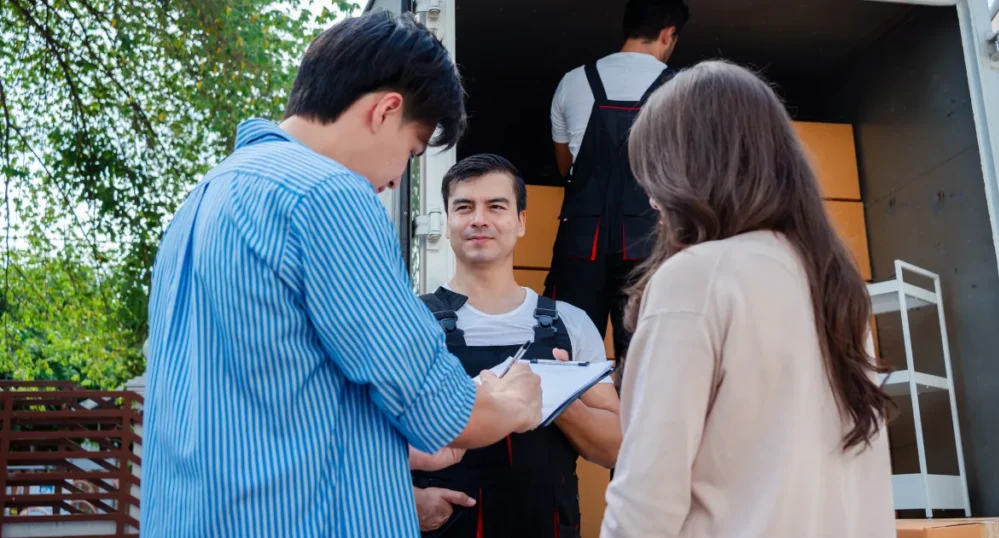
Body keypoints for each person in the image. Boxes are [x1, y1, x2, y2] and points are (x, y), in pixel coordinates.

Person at [140, 11, 544, 538]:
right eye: (411, 150)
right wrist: (512, 403)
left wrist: (389, 468)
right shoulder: (327, 194)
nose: (398, 177)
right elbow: (437, 402)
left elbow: (263, 401)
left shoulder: (206, 196)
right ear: (386, 110)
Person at [599, 60, 897, 537]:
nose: (653, 202)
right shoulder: (834, 284)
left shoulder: (696, 277)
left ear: (687, 172)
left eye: (654, 177)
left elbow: (643, 507)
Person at [411, 154, 621, 538]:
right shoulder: (410, 321)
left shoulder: (569, 323)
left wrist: (559, 399)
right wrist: (405, 500)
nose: (479, 219)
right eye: (464, 207)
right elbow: (364, 436)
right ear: (447, 222)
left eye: (496, 206)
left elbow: (614, 448)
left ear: (521, 221)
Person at [546, 0, 689, 365]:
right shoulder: (681, 91)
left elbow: (565, 167)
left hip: (582, 242)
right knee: (646, 361)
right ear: (668, 34)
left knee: (569, 358)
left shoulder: (572, 81)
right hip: (646, 242)